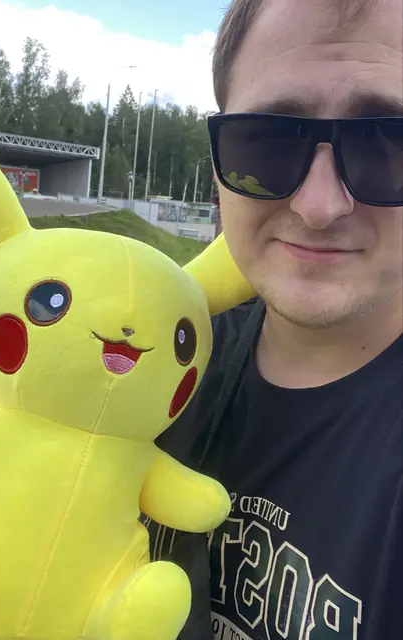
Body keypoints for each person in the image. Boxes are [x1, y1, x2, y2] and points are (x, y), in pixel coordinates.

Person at [140, 0, 403, 638]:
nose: (319, 206)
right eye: (267, 140)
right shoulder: (149, 361)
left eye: (387, 142)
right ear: (217, 167)